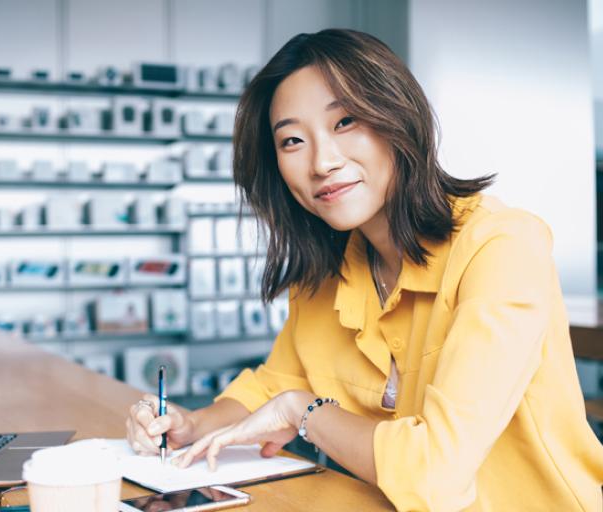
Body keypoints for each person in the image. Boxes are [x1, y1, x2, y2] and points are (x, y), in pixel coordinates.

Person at [125, 29, 603, 511]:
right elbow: (272, 387)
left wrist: (304, 413)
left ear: (397, 115)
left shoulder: (502, 247)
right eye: (292, 140)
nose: (322, 162)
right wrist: (191, 424)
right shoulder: (324, 278)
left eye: (345, 121)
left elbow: (433, 472)